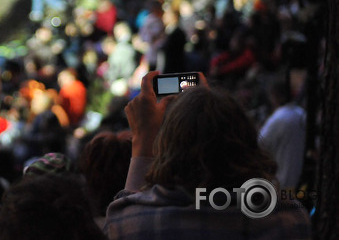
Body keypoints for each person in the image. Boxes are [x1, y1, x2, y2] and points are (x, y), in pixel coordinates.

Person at [103, 71, 312, 239]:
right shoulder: (290, 219)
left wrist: (143, 138)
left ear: (167, 151)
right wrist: (209, 107)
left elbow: (123, 214)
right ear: (247, 143)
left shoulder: (130, 223)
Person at [258, 76, 306, 190]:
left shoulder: (278, 118)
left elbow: (260, 144)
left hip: (281, 182)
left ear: (274, 96)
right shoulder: (302, 114)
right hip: (301, 181)